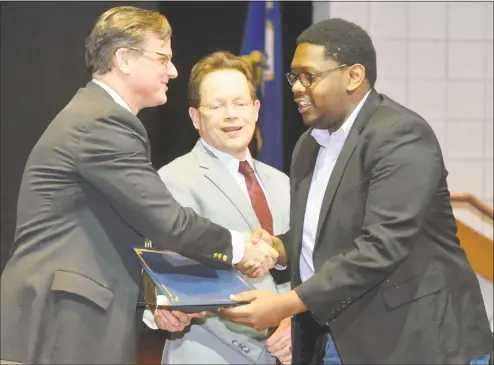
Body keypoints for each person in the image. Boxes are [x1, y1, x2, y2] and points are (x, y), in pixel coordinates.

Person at [0, 6, 277, 365]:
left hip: (66, 323)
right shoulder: (102, 123)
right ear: (124, 59)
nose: (173, 71)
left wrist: (165, 300)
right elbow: (168, 223)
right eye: (163, 58)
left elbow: (132, 234)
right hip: (59, 325)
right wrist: (241, 248)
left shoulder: (98, 117)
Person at [220, 18, 493, 364]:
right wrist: (278, 247)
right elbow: (325, 237)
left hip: (416, 340)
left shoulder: (401, 135)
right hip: (337, 336)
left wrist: (286, 304)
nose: (296, 87)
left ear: (353, 76)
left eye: (309, 76)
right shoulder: (309, 144)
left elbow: (381, 247)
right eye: (293, 77)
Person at [142, 51, 292, 365]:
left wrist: (294, 320)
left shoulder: (283, 182)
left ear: (256, 110)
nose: (231, 115)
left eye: (239, 104)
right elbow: (162, 279)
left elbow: (307, 267)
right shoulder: (170, 181)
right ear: (195, 117)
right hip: (208, 354)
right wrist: (162, 306)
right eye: (216, 106)